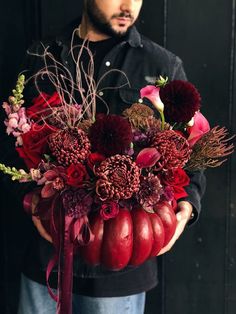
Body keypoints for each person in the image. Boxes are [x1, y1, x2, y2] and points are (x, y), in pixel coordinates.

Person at [1, 1, 206, 313]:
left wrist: (185, 209)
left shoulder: (162, 65)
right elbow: (10, 145)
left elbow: (191, 158)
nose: (128, 6)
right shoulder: (43, 56)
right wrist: (30, 202)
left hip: (121, 271)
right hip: (48, 257)